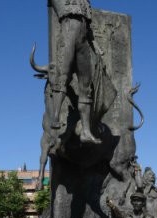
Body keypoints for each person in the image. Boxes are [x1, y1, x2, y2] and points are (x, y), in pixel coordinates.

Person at [50, 0, 101, 144]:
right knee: (63, 77)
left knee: (86, 85)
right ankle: (55, 118)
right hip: (68, 32)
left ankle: (86, 131)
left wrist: (96, 46)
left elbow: (88, 27)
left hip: (83, 39)